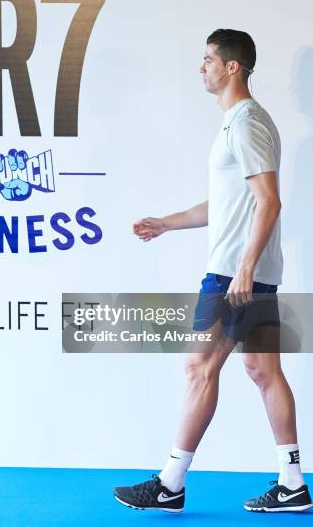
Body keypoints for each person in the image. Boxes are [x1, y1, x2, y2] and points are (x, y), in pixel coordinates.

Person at [114, 29, 312, 513]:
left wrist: (244, 269)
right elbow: (229, 204)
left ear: (232, 68)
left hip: (231, 274)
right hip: (245, 271)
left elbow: (269, 201)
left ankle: (170, 483)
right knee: (263, 370)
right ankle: (292, 483)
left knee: (200, 367)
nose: (201, 67)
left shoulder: (246, 123)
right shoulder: (235, 124)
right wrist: (167, 223)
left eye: (208, 59)